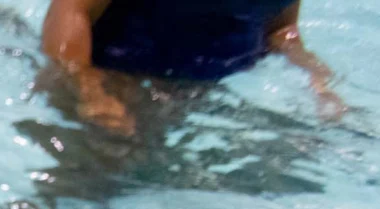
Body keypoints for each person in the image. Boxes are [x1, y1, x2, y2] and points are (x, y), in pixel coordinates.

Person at [41, 1, 342, 135]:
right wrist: (89, 90)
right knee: (83, 190)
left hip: (193, 94)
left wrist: (318, 83)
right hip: (113, 82)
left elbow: (281, 29)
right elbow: (71, 10)